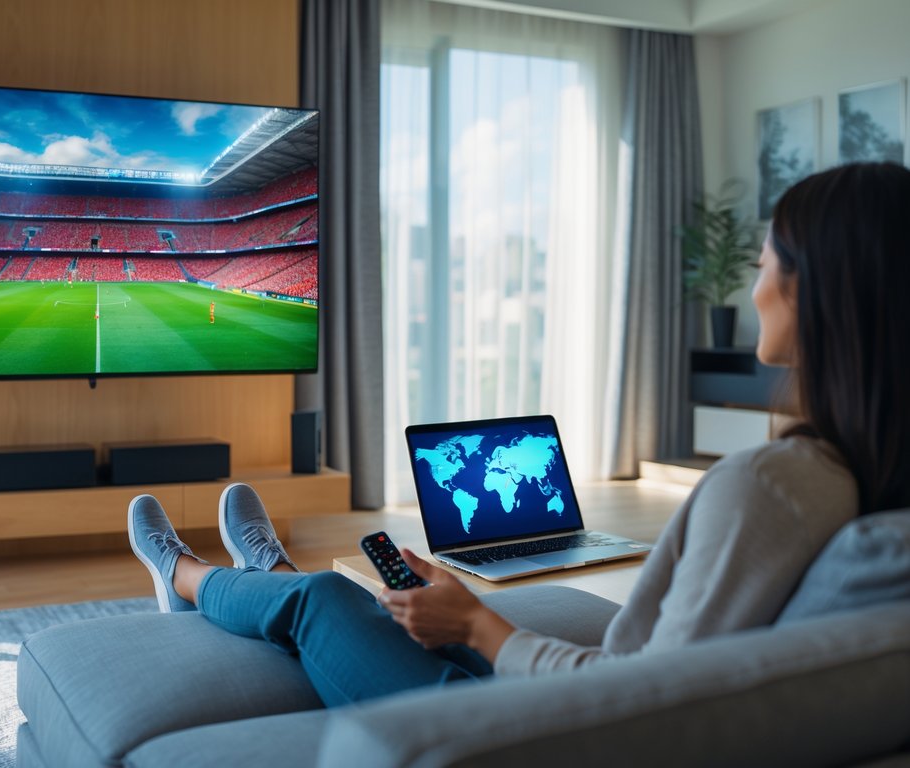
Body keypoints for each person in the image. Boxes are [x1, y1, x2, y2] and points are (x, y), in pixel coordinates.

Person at [127, 162, 910, 707]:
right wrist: (470, 618)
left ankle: (186, 578)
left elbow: (645, 705)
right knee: (406, 599)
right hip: (569, 703)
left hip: (541, 733)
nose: (753, 282)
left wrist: (476, 625)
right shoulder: (861, 477)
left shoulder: (770, 487)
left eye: (767, 258)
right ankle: (265, 571)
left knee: (329, 598)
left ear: (816, 288)